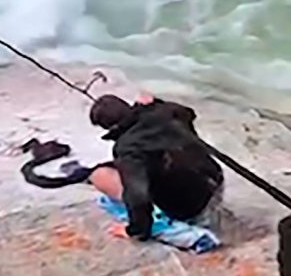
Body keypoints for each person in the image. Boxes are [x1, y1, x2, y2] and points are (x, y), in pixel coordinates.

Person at [88, 93, 225, 241]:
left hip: (190, 208)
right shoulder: (165, 112)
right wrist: (157, 104)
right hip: (214, 181)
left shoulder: (127, 148)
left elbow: (138, 195)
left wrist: (135, 230)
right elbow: (188, 113)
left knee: (99, 175)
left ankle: (165, 224)